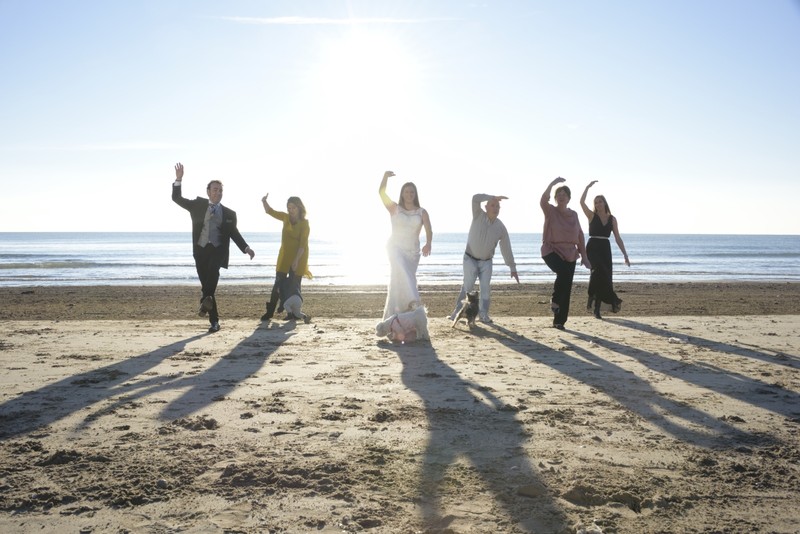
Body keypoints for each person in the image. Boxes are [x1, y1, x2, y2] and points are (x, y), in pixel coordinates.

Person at [171, 162, 255, 332]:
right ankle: (213, 320)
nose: (218, 192)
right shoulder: (197, 205)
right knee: (207, 289)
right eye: (215, 190)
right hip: (200, 251)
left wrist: (246, 248)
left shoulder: (230, 214)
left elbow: (234, 233)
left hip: (218, 251)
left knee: (212, 275)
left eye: (220, 190)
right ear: (208, 192)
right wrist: (178, 180)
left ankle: (207, 309)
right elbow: (177, 198)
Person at [448, 194, 519, 324]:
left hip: (487, 262)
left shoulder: (500, 227)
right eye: (492, 205)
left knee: (485, 289)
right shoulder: (478, 215)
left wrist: (512, 267)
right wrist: (492, 196)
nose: (495, 208)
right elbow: (475, 198)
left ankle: (483, 315)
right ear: (486, 207)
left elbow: (506, 247)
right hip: (470, 259)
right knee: (467, 287)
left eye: (497, 206)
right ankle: (456, 313)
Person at [379, 170, 433, 319]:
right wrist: (385, 177)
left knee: (406, 280)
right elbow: (381, 193)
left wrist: (428, 243)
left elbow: (429, 229)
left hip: (412, 253)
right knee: (400, 274)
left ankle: (406, 317)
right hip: (395, 248)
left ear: (415, 194)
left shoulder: (422, 212)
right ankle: (411, 305)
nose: (409, 194)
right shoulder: (395, 208)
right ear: (402, 194)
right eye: (407, 192)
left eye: (412, 192)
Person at [540, 177, 590, 330]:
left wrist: (584, 256)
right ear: (555, 198)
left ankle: (559, 321)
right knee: (563, 273)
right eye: (559, 194)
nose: (561, 196)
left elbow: (580, 235)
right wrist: (552, 184)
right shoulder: (550, 211)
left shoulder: (574, 215)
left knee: (567, 287)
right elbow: (543, 200)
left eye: (564, 194)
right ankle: (555, 300)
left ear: (569, 198)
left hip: (570, 253)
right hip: (551, 250)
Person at [580, 181, 630, 319]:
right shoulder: (591, 216)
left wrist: (625, 255)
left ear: (605, 203)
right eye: (596, 202)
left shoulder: (612, 219)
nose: (598, 204)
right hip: (593, 247)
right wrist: (587, 187)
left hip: (605, 248)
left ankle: (596, 305)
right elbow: (581, 202)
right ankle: (593, 299)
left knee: (604, 278)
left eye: (600, 202)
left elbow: (618, 238)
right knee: (598, 272)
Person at [261, 193, 311, 322]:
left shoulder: (304, 224)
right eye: (289, 208)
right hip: (284, 256)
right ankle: (270, 312)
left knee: (294, 287)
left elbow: (302, 244)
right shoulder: (285, 217)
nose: (291, 210)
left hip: (299, 257)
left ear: (299, 207)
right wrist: (264, 201)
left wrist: (296, 260)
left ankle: (294, 313)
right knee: (278, 284)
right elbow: (270, 211)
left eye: (293, 208)